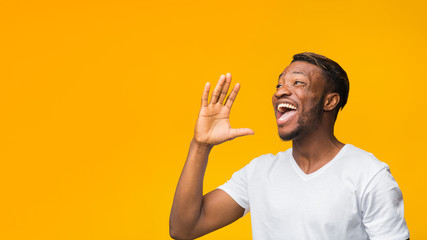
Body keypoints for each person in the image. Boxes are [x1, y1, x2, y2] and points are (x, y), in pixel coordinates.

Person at [169, 52, 409, 240]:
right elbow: (184, 228)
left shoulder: (369, 175)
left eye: (298, 83)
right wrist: (200, 145)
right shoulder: (259, 172)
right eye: (279, 85)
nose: (282, 91)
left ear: (330, 101)